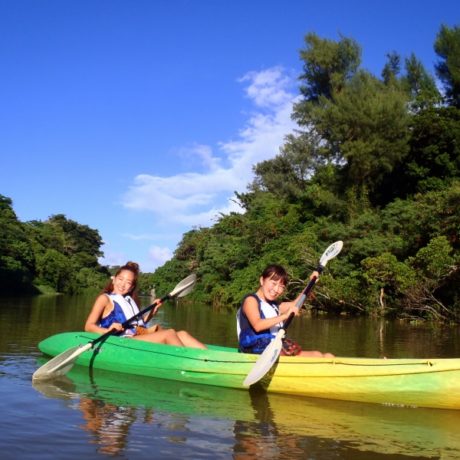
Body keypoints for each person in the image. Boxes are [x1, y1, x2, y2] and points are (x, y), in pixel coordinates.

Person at [85, 261, 206, 349]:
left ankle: (209, 357)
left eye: (128, 283)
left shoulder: (128, 300)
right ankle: (186, 361)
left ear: (132, 287)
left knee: (182, 334)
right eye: (120, 279)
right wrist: (107, 330)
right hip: (122, 341)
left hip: (137, 337)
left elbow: (138, 324)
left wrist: (153, 311)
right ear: (114, 279)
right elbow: (88, 326)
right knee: (169, 333)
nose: (122, 285)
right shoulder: (105, 299)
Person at [236, 264, 334, 357]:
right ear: (262, 280)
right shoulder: (251, 300)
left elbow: (296, 304)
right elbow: (258, 325)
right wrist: (284, 316)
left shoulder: (274, 305)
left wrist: (310, 284)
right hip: (256, 353)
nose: (276, 289)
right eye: (273, 283)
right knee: (321, 356)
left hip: (273, 351)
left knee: (321, 355)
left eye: (281, 287)